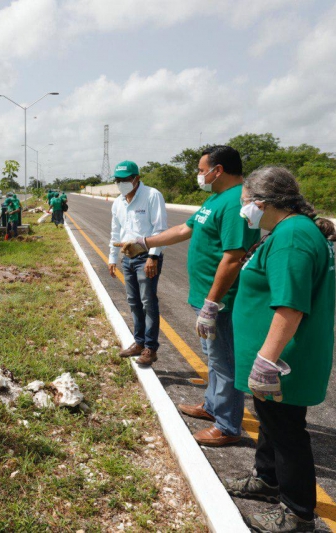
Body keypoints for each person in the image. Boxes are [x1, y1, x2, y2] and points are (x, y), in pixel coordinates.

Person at [117, 145, 260, 446]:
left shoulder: (236, 202)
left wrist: (211, 303)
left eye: (200, 169)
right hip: (205, 295)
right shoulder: (215, 199)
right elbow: (184, 228)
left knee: (224, 361)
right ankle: (212, 407)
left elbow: (233, 257)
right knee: (213, 357)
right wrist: (145, 242)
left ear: (217, 170)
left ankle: (227, 425)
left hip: (220, 299)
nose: (198, 175)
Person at [223, 167, 336, 533]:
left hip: (285, 358)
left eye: (245, 203)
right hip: (279, 356)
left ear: (261, 202)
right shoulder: (288, 231)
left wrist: (265, 360)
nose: (244, 209)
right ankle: (267, 478)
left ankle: (297, 512)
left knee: (287, 431)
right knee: (271, 422)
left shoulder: (292, 238)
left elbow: (290, 306)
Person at [108, 160, 168, 366]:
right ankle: (139, 342)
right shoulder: (118, 202)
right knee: (133, 302)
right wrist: (112, 258)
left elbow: (160, 229)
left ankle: (150, 348)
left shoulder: (152, 196)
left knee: (148, 302)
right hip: (128, 257)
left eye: (125, 179)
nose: (121, 183)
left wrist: (153, 256)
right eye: (118, 180)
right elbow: (115, 232)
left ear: (137, 178)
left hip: (146, 257)